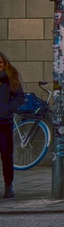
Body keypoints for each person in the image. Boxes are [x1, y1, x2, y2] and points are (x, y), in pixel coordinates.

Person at [1, 50, 23, 199]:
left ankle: (8, 184)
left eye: (0, 63)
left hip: (4, 123)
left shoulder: (10, 78)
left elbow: (19, 96)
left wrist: (8, 109)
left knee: (6, 155)